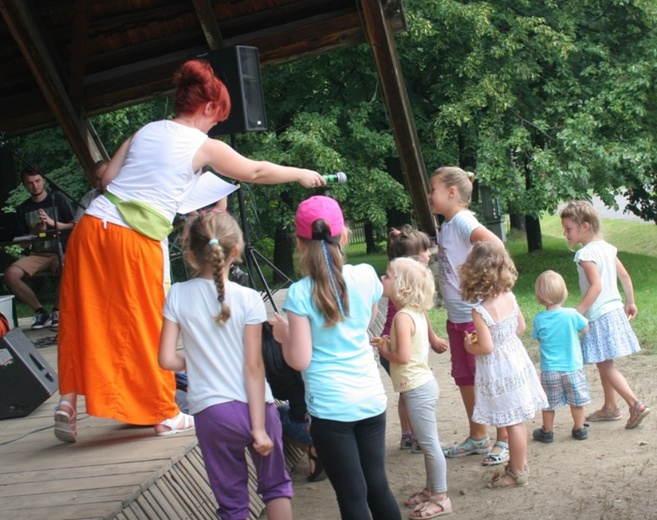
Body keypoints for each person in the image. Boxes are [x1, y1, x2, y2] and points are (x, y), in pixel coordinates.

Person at [54, 57, 326, 443]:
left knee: (83, 312)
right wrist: (299, 173)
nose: (216, 126)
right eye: (218, 118)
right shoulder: (203, 144)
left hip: (90, 227)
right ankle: (165, 414)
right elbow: (255, 171)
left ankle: (67, 403)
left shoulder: (145, 130)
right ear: (210, 107)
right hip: (133, 238)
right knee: (148, 322)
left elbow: (109, 178)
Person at [270, 195, 401, 520]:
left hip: (331, 411)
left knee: (352, 496)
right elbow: (365, 322)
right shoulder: (367, 275)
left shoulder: (300, 293)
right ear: (344, 236)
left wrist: (284, 335)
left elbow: (299, 360)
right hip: (371, 399)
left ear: (300, 244)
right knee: (378, 486)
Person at [158, 211, 292, 520]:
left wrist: (202, 359)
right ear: (236, 251)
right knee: (276, 487)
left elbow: (166, 360)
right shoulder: (249, 299)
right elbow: (253, 366)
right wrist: (258, 428)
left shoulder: (177, 295)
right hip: (259, 408)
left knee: (231, 502)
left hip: (212, 413)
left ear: (190, 254)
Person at [428, 166, 509, 465]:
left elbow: (493, 245)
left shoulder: (462, 220)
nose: (429, 196)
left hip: (474, 317)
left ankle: (504, 438)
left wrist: (485, 285)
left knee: (487, 377)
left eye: (432, 189)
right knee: (466, 378)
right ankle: (478, 436)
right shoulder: (448, 224)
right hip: (457, 318)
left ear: (451, 192)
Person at [459, 241, 547, 488]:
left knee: (513, 422)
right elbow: (520, 327)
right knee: (514, 419)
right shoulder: (509, 296)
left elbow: (485, 347)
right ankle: (518, 463)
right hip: (515, 359)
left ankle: (517, 472)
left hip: (498, 368)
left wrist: (469, 345)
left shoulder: (480, 310)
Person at [560, 200, 650, 429]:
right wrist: (630, 301)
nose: (565, 233)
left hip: (599, 316)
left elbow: (596, 286)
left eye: (569, 228)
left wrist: (576, 313)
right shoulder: (608, 248)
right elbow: (625, 277)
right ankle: (610, 407)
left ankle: (634, 404)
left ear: (585, 227)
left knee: (605, 364)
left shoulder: (585, 253)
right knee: (604, 361)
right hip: (614, 311)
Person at [375, 257, 452, 518]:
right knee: (427, 442)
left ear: (403, 289)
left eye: (387, 276)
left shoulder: (401, 317)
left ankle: (441, 497)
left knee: (430, 444)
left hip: (417, 389)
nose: (383, 279)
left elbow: (403, 357)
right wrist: (388, 342)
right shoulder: (412, 313)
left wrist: (385, 350)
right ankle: (432, 490)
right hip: (420, 386)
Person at [374, 225, 447, 453]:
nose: (429, 254)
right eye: (425, 250)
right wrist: (433, 338)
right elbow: (421, 314)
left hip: (397, 343)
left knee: (407, 391)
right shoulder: (405, 290)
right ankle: (417, 436)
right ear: (414, 259)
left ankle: (409, 434)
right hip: (396, 345)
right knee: (411, 390)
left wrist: (432, 338)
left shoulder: (403, 289)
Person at [4, 166, 75, 330]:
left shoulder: (58, 199)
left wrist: (53, 223)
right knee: (11, 274)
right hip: (38, 254)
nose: (34, 185)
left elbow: (75, 225)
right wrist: (34, 231)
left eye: (37, 181)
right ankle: (40, 311)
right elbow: (22, 243)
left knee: (69, 266)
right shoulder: (23, 208)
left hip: (61, 251)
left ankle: (58, 310)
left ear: (43, 180)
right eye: (29, 183)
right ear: (24, 185)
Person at [261, 321, 326, 482]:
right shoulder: (301, 353)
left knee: (275, 414)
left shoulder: (271, 363)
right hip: (334, 414)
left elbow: (278, 394)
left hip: (309, 424)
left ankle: (314, 449)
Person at [532, 270, 591, 442]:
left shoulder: (539, 319)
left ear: (539, 297)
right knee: (577, 401)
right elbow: (585, 329)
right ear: (564, 293)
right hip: (573, 367)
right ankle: (579, 428)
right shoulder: (572, 314)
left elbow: (538, 338)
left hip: (550, 370)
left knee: (549, 403)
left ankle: (547, 432)